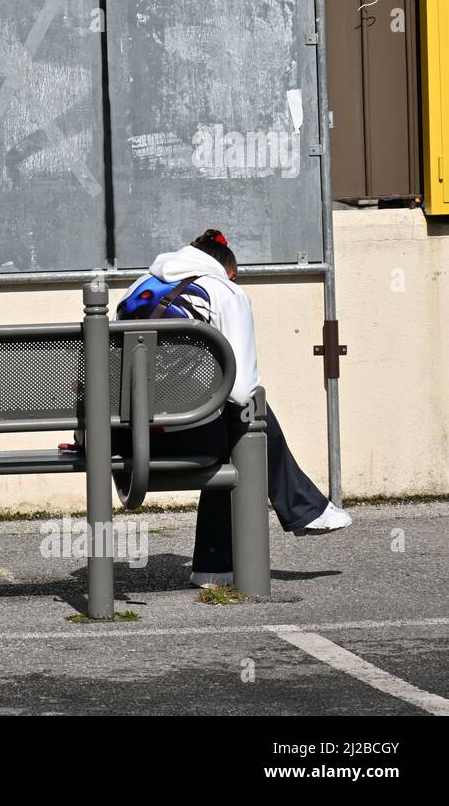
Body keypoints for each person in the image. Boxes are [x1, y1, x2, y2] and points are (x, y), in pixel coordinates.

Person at [116, 229, 350, 588]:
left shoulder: (140, 287)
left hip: (121, 439)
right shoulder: (224, 291)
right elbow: (242, 390)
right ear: (228, 270)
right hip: (187, 439)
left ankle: (218, 567)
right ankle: (301, 509)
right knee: (249, 415)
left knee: (228, 421)